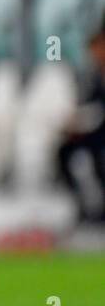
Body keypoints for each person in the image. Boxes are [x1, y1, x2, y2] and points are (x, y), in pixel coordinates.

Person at [56, 29, 105, 224]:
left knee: (100, 160)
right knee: (64, 153)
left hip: (101, 135)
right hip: (93, 132)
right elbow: (85, 106)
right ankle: (82, 205)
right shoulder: (89, 76)